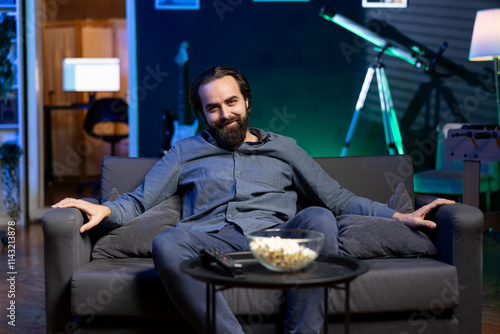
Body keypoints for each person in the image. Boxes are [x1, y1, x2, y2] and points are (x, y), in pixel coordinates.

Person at [52, 66, 454, 334]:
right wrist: (104, 208)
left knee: (318, 217)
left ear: (246, 103)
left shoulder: (285, 148)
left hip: (275, 245)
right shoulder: (183, 151)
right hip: (211, 247)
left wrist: (398, 216)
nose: (224, 114)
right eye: (213, 108)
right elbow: (139, 202)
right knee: (166, 240)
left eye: (230, 102)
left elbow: (337, 197)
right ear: (204, 115)